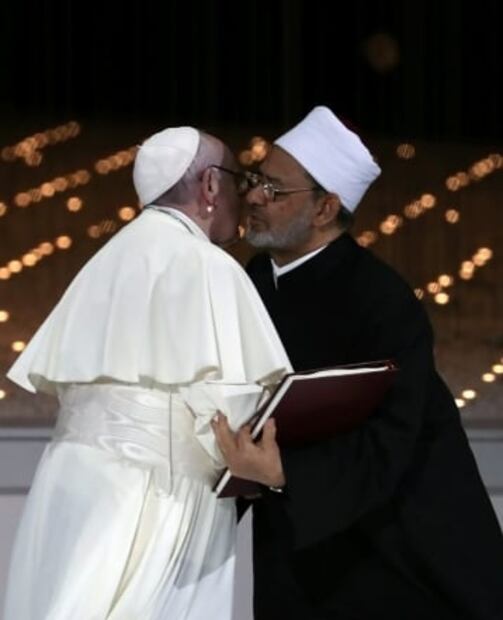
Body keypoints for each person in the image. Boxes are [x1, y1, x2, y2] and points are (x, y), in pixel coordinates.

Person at [212, 106, 503, 620]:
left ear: (325, 209)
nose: (254, 197)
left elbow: (393, 438)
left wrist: (284, 472)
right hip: (294, 544)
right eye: (256, 180)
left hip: (392, 549)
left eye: (274, 190)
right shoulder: (255, 279)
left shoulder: (382, 303)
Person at [3, 126, 291, 620]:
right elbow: (232, 416)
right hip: (159, 498)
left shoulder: (106, 260)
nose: (243, 196)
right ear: (210, 185)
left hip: (70, 487)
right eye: (236, 179)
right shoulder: (208, 265)